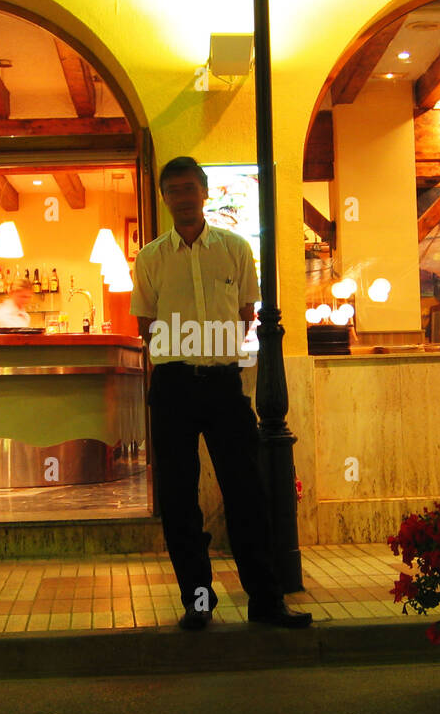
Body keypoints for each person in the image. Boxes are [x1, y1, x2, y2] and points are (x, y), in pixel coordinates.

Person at [130, 156, 311, 631]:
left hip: (224, 385)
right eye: (173, 190)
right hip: (172, 388)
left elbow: (247, 312)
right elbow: (146, 324)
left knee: (247, 491)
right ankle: (198, 602)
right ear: (164, 198)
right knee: (178, 498)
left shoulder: (235, 249)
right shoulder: (150, 258)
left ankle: (266, 602)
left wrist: (211, 351)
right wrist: (186, 350)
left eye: (189, 188)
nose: (182, 198)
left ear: (205, 193)